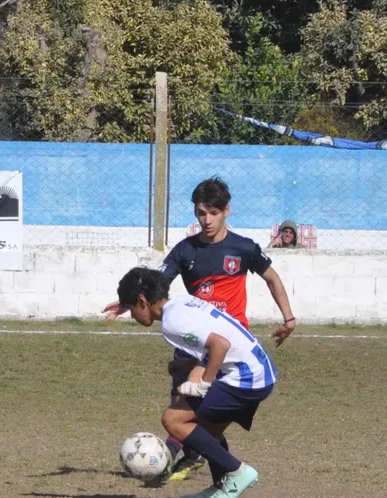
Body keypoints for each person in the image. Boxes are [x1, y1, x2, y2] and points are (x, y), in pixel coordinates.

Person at [103, 177, 295, 482]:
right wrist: (129, 301)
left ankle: (176, 457)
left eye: (213, 213)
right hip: (194, 341)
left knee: (188, 413)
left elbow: (272, 278)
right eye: (201, 214)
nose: (207, 220)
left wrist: (289, 319)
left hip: (228, 346)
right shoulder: (185, 251)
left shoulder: (243, 247)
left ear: (226, 211)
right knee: (187, 407)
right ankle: (200, 464)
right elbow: (155, 284)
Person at [116, 267, 276, 498]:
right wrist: (184, 365)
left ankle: (238, 471)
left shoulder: (171, 323)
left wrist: (203, 384)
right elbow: (209, 344)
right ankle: (222, 485)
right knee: (207, 430)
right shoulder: (183, 302)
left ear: (142, 301)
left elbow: (219, 345)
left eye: (130, 309)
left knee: (173, 420)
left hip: (246, 377)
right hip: (259, 370)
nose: (131, 316)